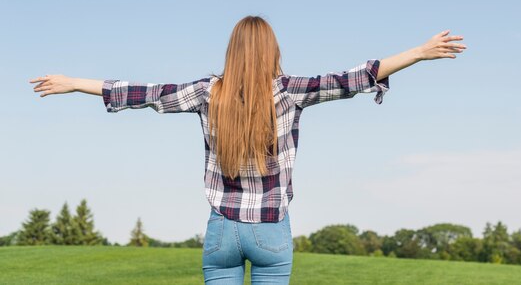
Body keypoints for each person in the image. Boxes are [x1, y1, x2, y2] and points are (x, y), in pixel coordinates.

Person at [29, 15, 466, 284]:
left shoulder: (207, 93)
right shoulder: (291, 92)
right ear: (272, 52)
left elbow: (142, 92)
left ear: (232, 52)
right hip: (271, 229)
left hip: (222, 230)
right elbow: (354, 77)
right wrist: (420, 52)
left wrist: (74, 83)